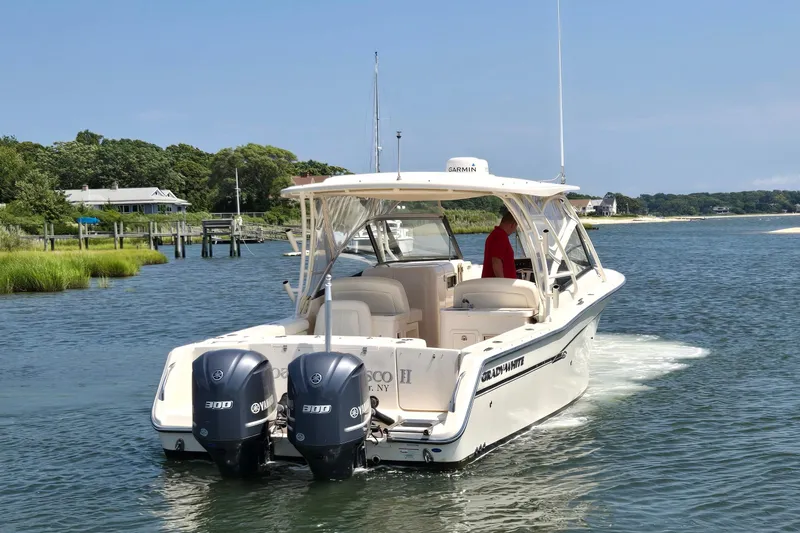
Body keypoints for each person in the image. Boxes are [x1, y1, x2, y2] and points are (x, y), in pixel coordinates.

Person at [481, 211, 518, 279]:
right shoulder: (500, 236)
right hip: (499, 286)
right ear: (513, 225)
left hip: (494, 284)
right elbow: (496, 261)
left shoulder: (495, 234)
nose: (514, 231)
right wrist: (502, 283)